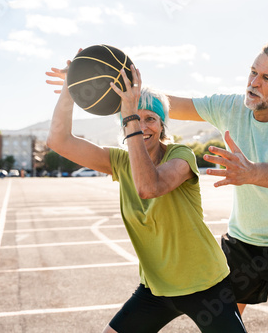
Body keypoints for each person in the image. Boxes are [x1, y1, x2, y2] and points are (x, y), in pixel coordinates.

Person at [46, 59, 246, 332]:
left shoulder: (180, 155)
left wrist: (129, 116)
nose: (142, 125)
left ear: (162, 125)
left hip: (205, 284)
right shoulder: (119, 161)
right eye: (135, 117)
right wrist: (71, 89)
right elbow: (59, 141)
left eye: (150, 118)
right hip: (156, 288)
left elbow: (150, 187)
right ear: (123, 124)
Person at [167, 42, 268, 332]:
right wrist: (111, 84)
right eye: (253, 72)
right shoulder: (230, 107)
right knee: (221, 328)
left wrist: (251, 172)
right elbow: (170, 105)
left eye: (266, 78)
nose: (253, 83)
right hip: (242, 244)